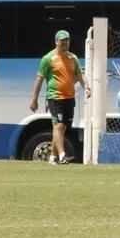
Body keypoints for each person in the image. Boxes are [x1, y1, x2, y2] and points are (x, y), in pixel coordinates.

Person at [28, 30, 90, 165]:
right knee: (59, 126)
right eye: (62, 40)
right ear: (56, 42)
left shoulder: (73, 58)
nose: (65, 43)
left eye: (67, 40)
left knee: (62, 128)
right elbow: (39, 79)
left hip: (70, 98)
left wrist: (87, 87)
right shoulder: (48, 59)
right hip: (55, 97)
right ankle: (62, 155)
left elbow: (79, 75)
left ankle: (52, 157)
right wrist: (34, 99)